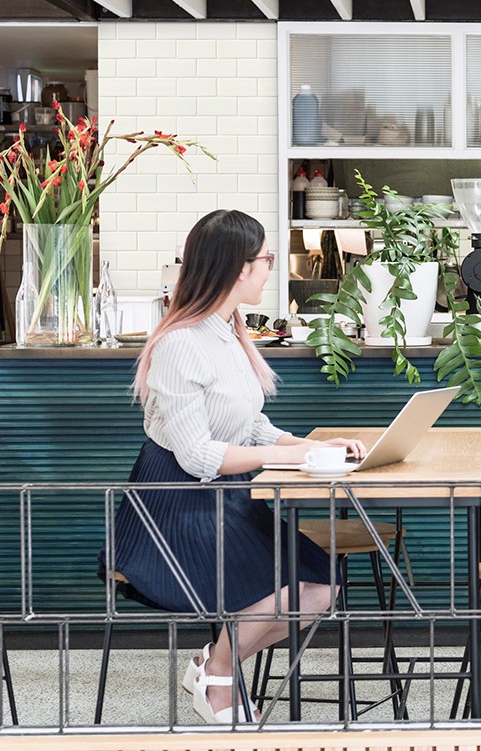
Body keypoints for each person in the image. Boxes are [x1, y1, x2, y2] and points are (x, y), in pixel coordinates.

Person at [99, 209, 367, 724]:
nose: (269, 268)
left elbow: (248, 423)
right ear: (239, 268)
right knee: (282, 589)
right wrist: (288, 456)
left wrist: (311, 444)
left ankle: (211, 663)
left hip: (230, 493)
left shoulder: (230, 330)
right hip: (175, 503)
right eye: (266, 259)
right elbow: (197, 455)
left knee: (322, 587)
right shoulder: (180, 343)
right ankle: (220, 681)